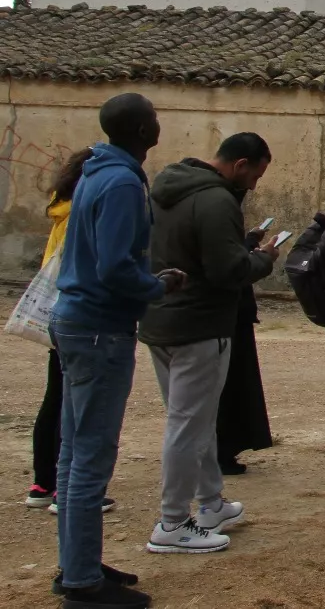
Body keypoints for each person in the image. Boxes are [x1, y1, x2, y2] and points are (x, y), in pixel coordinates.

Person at [52, 93, 184, 608]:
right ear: (140, 131)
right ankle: (82, 583)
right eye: (153, 119)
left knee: (73, 451)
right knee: (90, 456)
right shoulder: (124, 181)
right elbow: (113, 267)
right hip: (100, 328)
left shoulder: (95, 171)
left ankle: (78, 562)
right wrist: (158, 286)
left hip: (78, 322)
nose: (158, 125)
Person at [139, 133, 277, 555]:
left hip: (160, 320)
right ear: (240, 164)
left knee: (193, 419)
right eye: (255, 173)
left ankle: (212, 503)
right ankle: (173, 522)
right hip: (200, 325)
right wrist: (263, 259)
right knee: (188, 424)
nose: (253, 184)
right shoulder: (217, 200)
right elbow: (227, 269)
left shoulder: (164, 189)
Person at [24, 148, 94, 513]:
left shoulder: (61, 209)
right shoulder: (81, 214)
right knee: (71, 402)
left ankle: (43, 482)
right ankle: (62, 487)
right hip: (76, 312)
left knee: (56, 397)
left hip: (57, 312)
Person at [215, 281, 272, 475]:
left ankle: (222, 450)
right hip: (223, 313)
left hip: (226, 311)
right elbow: (231, 267)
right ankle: (221, 451)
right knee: (228, 384)